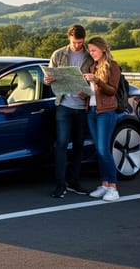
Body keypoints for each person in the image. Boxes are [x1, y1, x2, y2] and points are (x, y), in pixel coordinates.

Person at [44, 24, 93, 198]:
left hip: (82, 107)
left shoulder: (90, 55)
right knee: (62, 144)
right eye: (74, 42)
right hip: (64, 105)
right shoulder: (58, 54)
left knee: (79, 146)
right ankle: (60, 185)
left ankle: (74, 182)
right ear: (69, 39)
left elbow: (97, 79)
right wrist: (48, 80)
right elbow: (47, 80)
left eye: (80, 42)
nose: (77, 45)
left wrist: (86, 91)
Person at [83, 36, 122, 202]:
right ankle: (104, 184)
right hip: (91, 110)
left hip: (106, 112)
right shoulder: (93, 66)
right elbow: (92, 92)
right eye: (90, 51)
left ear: (103, 49)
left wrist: (98, 80)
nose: (91, 53)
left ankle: (113, 187)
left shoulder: (112, 66)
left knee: (104, 149)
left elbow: (112, 90)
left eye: (94, 50)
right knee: (98, 150)